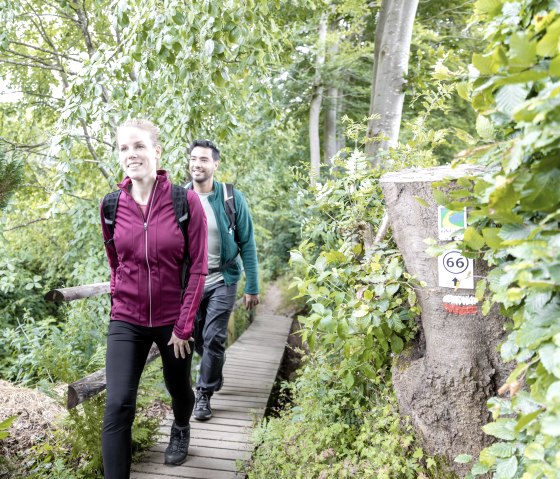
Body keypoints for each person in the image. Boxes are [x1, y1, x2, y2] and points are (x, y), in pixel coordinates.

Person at [100, 119, 208, 478]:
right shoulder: (111, 205)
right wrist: (119, 300)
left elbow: (198, 268)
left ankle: (180, 426)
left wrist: (183, 324)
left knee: (179, 387)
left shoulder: (184, 201)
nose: (131, 154)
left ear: (156, 151)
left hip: (172, 320)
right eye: (124, 148)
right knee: (117, 406)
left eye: (139, 146)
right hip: (126, 318)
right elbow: (115, 262)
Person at [187, 139, 260, 421]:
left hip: (223, 279)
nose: (198, 164)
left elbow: (248, 243)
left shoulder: (231, 198)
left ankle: (203, 394)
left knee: (214, 338)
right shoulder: (179, 198)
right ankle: (213, 369)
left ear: (215, 164)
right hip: (190, 284)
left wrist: (252, 286)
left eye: (204, 159)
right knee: (196, 339)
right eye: (194, 158)